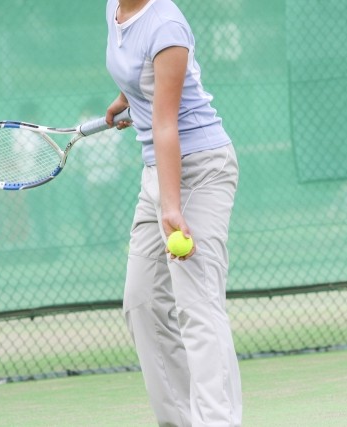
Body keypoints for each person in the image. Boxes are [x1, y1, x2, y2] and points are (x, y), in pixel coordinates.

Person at [104, 0, 242, 425]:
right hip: (157, 170)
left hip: (199, 168)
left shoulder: (166, 26)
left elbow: (167, 123)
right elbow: (140, 71)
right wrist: (126, 98)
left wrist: (171, 207)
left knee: (197, 305)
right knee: (142, 301)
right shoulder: (114, 9)